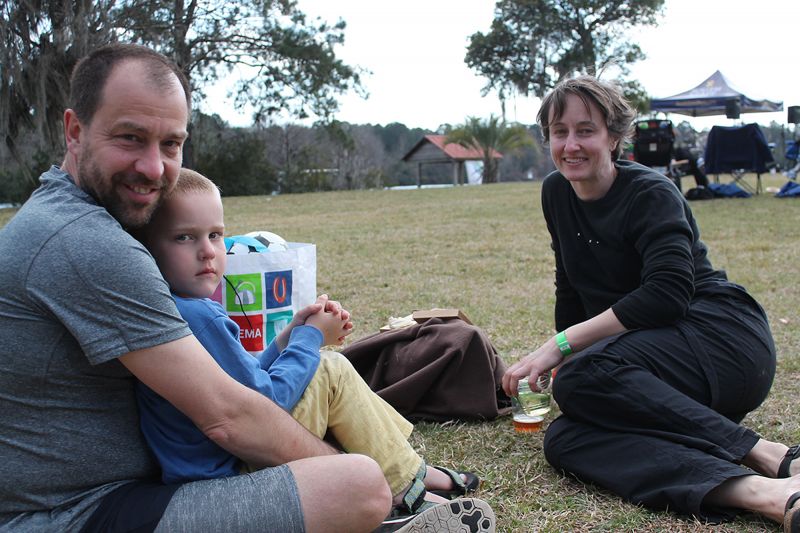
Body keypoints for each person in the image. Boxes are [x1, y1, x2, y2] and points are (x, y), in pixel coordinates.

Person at [0, 42, 396, 533]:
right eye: (130, 137)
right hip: (73, 515)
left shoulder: (71, 217)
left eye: (170, 144)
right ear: (75, 131)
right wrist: (331, 463)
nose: (153, 167)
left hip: (124, 494)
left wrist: (285, 341)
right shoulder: (84, 240)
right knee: (357, 485)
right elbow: (229, 416)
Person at [501, 75, 800, 531]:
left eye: (586, 130)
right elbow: (571, 285)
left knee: (582, 379)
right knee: (566, 439)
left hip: (723, 340)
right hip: (656, 361)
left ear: (615, 136)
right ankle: (765, 493)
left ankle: (771, 454)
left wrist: (560, 347)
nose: (571, 145)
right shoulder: (556, 192)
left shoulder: (650, 192)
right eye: (560, 132)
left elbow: (667, 296)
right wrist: (570, 360)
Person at [132, 168, 496, 531]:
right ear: (147, 249)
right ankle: (408, 487)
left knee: (327, 367)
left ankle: (412, 474)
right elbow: (264, 403)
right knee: (331, 370)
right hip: (229, 472)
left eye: (215, 235)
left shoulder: (177, 307)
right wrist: (312, 339)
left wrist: (289, 335)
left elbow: (244, 381)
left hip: (218, 462)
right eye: (184, 238)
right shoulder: (196, 315)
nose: (207, 252)